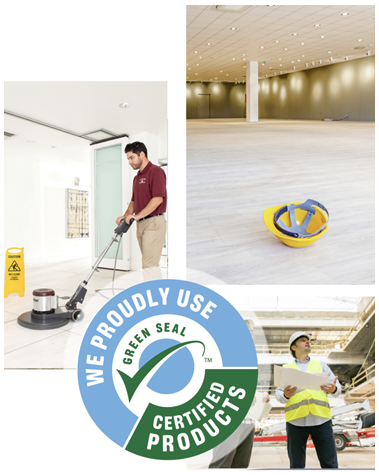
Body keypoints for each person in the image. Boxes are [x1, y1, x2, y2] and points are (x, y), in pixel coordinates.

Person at [275, 331, 341, 469]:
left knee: (330, 464)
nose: (308, 342)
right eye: (303, 340)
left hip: (321, 420)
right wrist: (286, 395)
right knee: (296, 466)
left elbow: (337, 389)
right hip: (295, 422)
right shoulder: (286, 369)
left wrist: (333, 389)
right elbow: (278, 395)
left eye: (308, 340)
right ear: (293, 347)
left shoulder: (321, 364)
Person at [116, 142, 166, 280]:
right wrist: (125, 216)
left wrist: (137, 216)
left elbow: (158, 199)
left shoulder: (156, 171)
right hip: (141, 223)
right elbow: (134, 201)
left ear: (142, 154)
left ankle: (154, 297)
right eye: (128, 159)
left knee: (149, 264)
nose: (129, 162)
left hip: (154, 222)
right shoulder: (137, 178)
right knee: (149, 263)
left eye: (131, 158)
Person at [209, 391, 270, 469]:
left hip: (249, 420)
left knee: (241, 466)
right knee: (221, 465)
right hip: (229, 419)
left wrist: (262, 395)